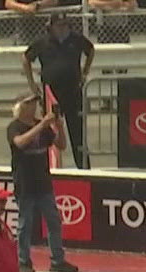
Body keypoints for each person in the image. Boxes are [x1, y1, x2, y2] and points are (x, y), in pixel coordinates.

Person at [7, 94, 81, 272]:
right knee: (25, 224)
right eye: (29, 103)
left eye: (34, 103)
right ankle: (23, 260)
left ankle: (57, 258)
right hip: (25, 182)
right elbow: (20, 143)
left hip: (43, 181)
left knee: (54, 221)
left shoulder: (42, 126)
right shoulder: (15, 127)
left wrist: (59, 128)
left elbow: (61, 145)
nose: (33, 106)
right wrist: (41, 125)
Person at [22, 12, 95, 168]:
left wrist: (85, 72)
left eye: (65, 25)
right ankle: (48, 168)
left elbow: (90, 50)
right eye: (59, 25)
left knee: (78, 134)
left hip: (73, 92)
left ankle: (84, 169)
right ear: (52, 27)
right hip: (51, 95)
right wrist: (32, 84)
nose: (63, 29)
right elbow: (26, 58)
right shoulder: (42, 42)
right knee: (49, 132)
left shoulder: (76, 39)